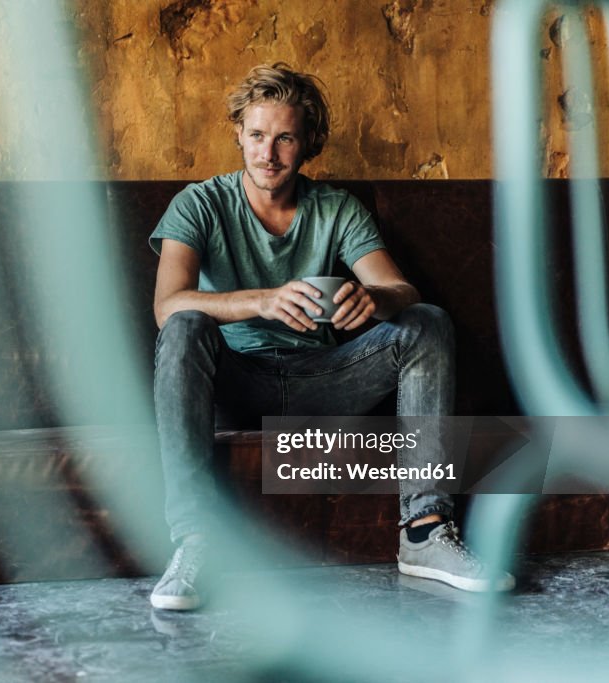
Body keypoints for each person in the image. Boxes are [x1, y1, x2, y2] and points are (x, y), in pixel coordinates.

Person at [148, 62, 514, 611]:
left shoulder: (336, 208)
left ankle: (424, 533)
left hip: (325, 379)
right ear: (238, 134)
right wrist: (263, 299)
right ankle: (195, 542)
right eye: (255, 136)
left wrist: (375, 300)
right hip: (234, 381)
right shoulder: (200, 204)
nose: (267, 153)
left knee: (427, 321)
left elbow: (398, 287)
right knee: (184, 325)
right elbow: (166, 306)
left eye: (284, 138)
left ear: (308, 143)